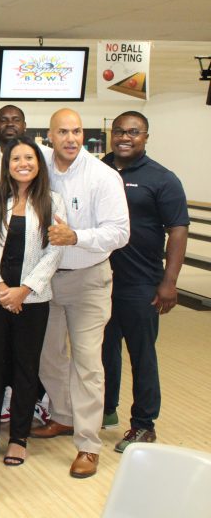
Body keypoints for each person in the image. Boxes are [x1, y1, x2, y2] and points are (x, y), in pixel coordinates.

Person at [31, 109, 130, 479]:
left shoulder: (102, 176)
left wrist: (76, 237)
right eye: (63, 132)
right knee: (49, 356)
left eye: (76, 131)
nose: (71, 139)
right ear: (50, 135)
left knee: (87, 362)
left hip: (88, 278)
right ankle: (63, 416)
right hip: (45, 279)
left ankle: (88, 445)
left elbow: (119, 232)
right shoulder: (38, 166)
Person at [0, 136, 66, 466]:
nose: (23, 163)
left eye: (29, 158)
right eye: (16, 159)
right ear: (7, 166)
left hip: (32, 300)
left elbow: (55, 251)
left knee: (26, 366)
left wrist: (24, 290)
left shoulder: (53, 201)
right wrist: (0, 288)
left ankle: (19, 436)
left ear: (39, 164)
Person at [102, 111, 188, 453]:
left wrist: (169, 282)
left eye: (134, 132)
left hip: (140, 283)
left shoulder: (162, 178)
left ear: (146, 137)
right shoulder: (97, 169)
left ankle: (143, 424)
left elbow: (178, 231)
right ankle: (106, 410)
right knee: (101, 353)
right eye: (120, 131)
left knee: (141, 356)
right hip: (98, 281)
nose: (125, 137)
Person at [0, 105, 52, 183]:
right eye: (3, 120)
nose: (10, 124)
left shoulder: (48, 155)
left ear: (24, 126)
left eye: (16, 120)